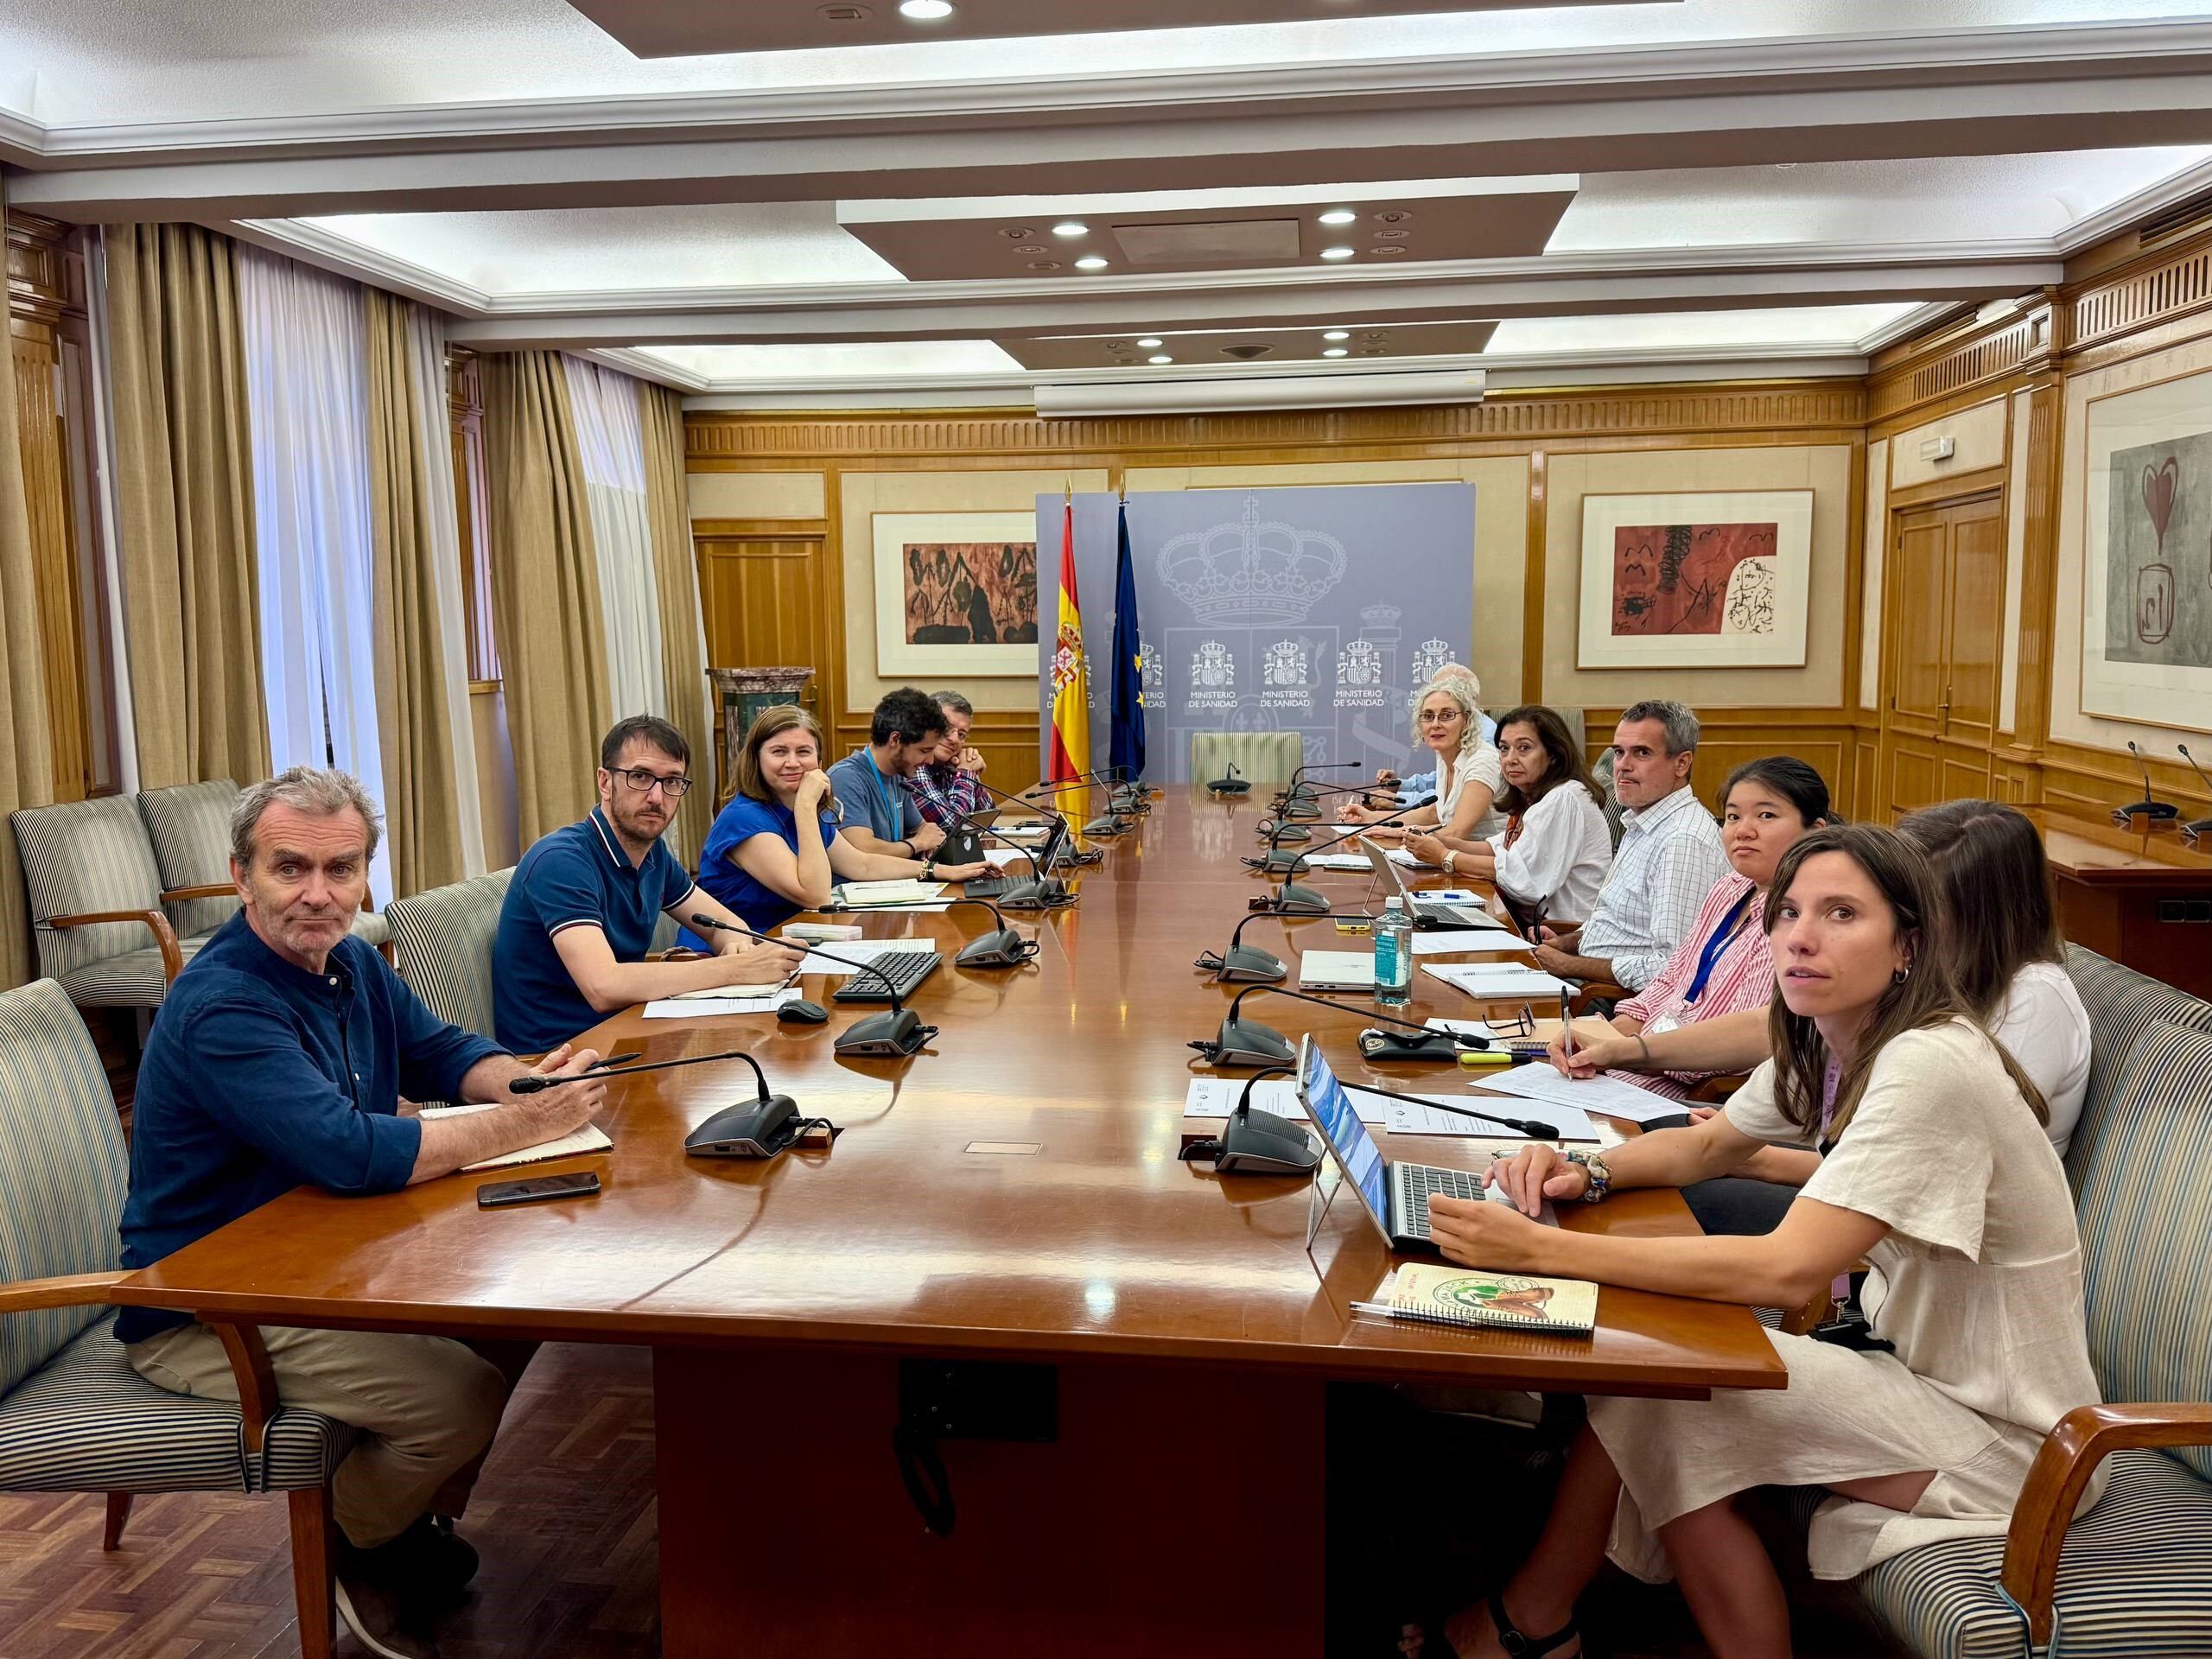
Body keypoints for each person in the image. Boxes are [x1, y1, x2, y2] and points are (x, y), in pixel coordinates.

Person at [1416, 824, 2102, 1659]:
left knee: (1670, 1386)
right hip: (1921, 1381)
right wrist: (1582, 1172)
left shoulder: (1930, 1064)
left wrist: (1539, 1252)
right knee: (1668, 1386)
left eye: (1842, 913)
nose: (1801, 937)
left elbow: (1788, 1268)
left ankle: (1534, 1619)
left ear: (1908, 949)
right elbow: (1708, 1145)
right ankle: (1537, 1621)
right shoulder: (1835, 1033)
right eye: (1789, 913)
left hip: (2014, 1441)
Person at [119, 768, 617, 1659]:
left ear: (365, 878)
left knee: (512, 1319)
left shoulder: (347, 961)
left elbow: (441, 1052)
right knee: (460, 1396)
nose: (318, 895)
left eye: (342, 870)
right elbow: (349, 1154)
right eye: (289, 869)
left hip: (316, 1258)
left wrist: (533, 1081)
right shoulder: (226, 1002)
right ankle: (354, 1539)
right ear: (241, 877)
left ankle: (397, 1517)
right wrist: (520, 1126)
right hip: (207, 1300)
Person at [493, 715, 799, 1054]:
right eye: (640, 777)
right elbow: (603, 986)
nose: (657, 797)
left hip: (625, 1034)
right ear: (605, 782)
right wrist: (735, 969)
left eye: (672, 782)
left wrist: (737, 948)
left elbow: (726, 927)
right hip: (557, 1060)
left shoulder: (654, 855)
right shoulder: (561, 861)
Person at [1547, 756, 1834, 1098]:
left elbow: (1747, 1039)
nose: (1744, 830)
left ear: (1814, 832)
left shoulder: (1799, 918)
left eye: (1766, 815)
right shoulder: (1730, 887)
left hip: (1698, 1093)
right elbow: (1671, 982)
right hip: (1643, 1066)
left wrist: (1627, 1053)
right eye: (1733, 816)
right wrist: (1600, 1042)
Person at [685, 704, 991, 943]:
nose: (793, 762)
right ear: (756, 759)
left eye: (803, 752)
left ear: (818, 759)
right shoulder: (744, 819)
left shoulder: (794, 809)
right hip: (732, 954)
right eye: (779, 752)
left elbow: (862, 865)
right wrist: (807, 805)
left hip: (791, 942)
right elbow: (815, 894)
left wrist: (940, 871)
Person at [1897, 798, 2090, 1156]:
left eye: (1925, 902)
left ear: (1982, 913)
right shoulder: (1949, 970)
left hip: (1960, 1204)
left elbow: (1960, 1148)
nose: (1904, 916)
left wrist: (1771, 1164)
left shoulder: (2035, 997)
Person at [1533, 699, 1726, 995]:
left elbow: (1671, 969)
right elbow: (1624, 929)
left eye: (1642, 753)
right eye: (1619, 752)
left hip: (1608, 998)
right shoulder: (1645, 820)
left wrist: (1568, 965)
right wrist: (1566, 943)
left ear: (1682, 763)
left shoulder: (1682, 841)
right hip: (1585, 979)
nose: (1623, 765)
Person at [1409, 705, 1610, 923]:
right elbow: (1502, 848)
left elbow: (1523, 877)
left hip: (1561, 934)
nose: (1510, 759)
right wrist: (1442, 841)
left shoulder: (1564, 797)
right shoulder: (1537, 795)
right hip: (1530, 922)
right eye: (1504, 749)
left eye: (1524, 748)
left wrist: (1445, 856)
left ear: (1554, 754)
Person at [1342, 672, 1503, 845]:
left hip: (1488, 864)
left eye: (1446, 715)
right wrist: (1371, 817)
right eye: (1427, 716)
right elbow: (1434, 813)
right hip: (1454, 859)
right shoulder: (1445, 755)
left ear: (1467, 720)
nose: (1435, 724)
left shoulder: (1483, 760)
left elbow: (1457, 832)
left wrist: (1398, 832)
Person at [826, 686, 956, 858]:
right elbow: (863, 849)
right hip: (855, 884)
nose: (930, 760)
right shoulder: (845, 777)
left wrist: (928, 834)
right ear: (895, 739)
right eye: (924, 751)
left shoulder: (898, 775)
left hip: (894, 881)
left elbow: (923, 828)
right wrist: (916, 844)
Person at [909, 689, 988, 831]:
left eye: (962, 734)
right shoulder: (912, 764)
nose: (954, 739)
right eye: (947, 728)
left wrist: (971, 770)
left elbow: (987, 816)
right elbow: (950, 826)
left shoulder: (952, 765)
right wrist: (966, 773)